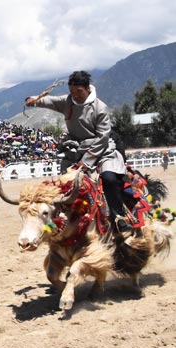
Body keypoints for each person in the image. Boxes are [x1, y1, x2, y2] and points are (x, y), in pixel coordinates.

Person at [25, 70, 131, 234]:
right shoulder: (67, 101)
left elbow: (103, 138)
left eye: (78, 91)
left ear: (88, 89)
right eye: (71, 91)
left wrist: (86, 162)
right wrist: (35, 101)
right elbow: (50, 101)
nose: (75, 95)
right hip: (76, 149)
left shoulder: (100, 108)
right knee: (65, 183)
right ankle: (62, 219)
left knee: (109, 178)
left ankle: (119, 217)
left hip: (101, 150)